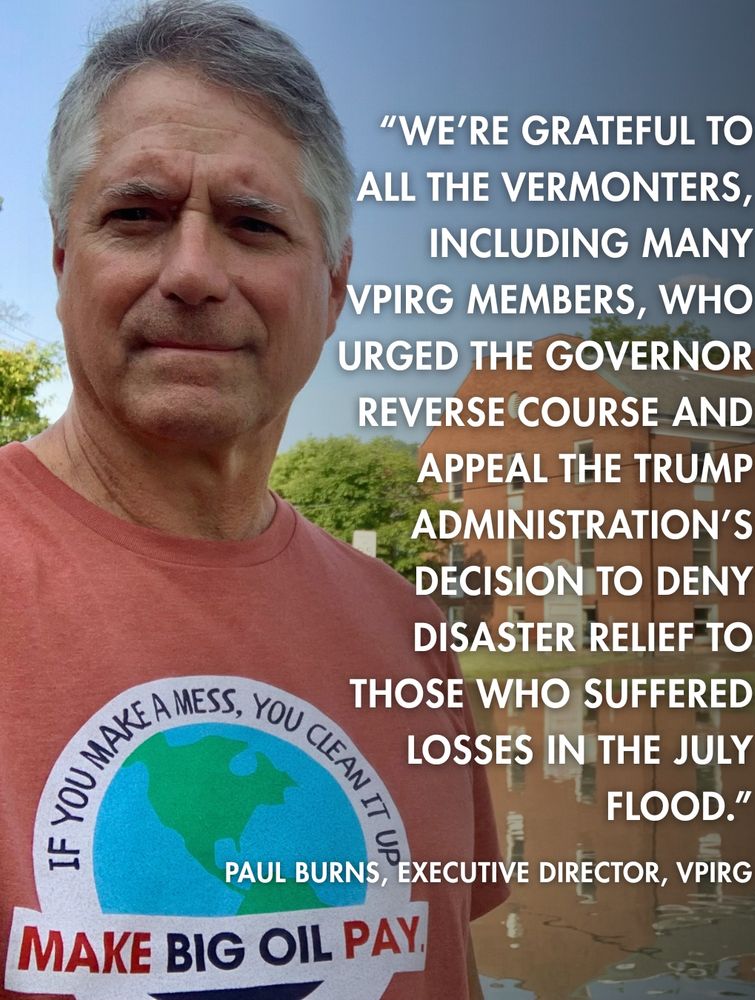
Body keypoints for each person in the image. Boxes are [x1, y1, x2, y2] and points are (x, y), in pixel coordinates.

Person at [0, 2, 506, 998]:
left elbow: (442, 967)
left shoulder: (407, 637)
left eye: (252, 223)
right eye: (135, 215)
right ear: (63, 262)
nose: (192, 272)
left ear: (335, 286)